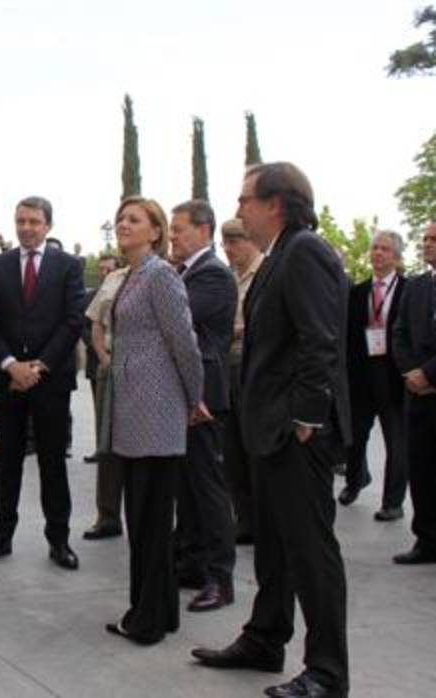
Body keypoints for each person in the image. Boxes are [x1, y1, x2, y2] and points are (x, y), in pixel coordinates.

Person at [193, 162, 351, 698]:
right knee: (276, 548)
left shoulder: (303, 250)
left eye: (245, 200)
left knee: (311, 552)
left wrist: (306, 419)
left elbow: (320, 340)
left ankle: (327, 673)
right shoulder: (280, 254)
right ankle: (265, 638)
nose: (237, 210)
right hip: (268, 430)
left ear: (276, 203)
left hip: (295, 434)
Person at [101, 197, 204, 646]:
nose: (124, 224)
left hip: (156, 412)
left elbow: (185, 342)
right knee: (143, 519)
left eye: (134, 220)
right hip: (133, 412)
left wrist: (194, 398)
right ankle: (157, 613)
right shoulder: (130, 275)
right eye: (121, 218)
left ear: (156, 231)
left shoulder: (160, 275)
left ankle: (147, 620)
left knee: (150, 520)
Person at [0, 196, 84, 571]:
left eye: (34, 222)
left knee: (53, 463)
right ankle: (0, 536)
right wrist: (10, 364)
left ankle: (60, 541)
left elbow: (73, 321)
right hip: (7, 380)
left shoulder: (69, 266)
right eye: (20, 221)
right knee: (8, 463)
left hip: (50, 381)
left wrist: (39, 367)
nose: (26, 228)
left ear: (48, 225)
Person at [169, 200, 238, 614]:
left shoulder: (211, 274)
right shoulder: (185, 273)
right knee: (188, 486)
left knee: (210, 489)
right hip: (184, 392)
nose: (173, 236)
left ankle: (220, 578)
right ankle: (191, 563)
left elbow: (178, 318)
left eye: (179, 229)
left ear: (203, 230)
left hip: (206, 395)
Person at [340, 230, 408, 521]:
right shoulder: (357, 292)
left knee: (397, 441)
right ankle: (355, 481)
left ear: (396, 256)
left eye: (384, 250)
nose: (378, 254)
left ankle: (392, 502)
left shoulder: (408, 290)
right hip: (363, 374)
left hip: (394, 374)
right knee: (354, 436)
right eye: (375, 248)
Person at [390, 221, 436, 565]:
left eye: (434, 239)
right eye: (425, 239)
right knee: (420, 468)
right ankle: (427, 539)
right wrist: (411, 372)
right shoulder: (418, 287)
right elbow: (399, 332)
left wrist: (429, 373)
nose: (428, 244)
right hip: (417, 395)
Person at [220, 219, 262, 543]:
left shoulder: (265, 273)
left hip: (253, 368)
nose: (229, 249)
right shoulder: (229, 277)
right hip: (227, 367)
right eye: (225, 243)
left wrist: (237, 330)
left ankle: (262, 517)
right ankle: (245, 518)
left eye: (234, 242)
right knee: (231, 449)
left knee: (253, 448)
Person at [83, 255, 128, 540]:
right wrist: (102, 356)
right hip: (110, 368)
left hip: (143, 370)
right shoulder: (113, 280)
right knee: (107, 444)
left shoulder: (162, 274)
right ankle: (108, 515)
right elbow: (96, 322)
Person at [81, 253, 120, 465]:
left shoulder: (125, 291)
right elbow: (84, 326)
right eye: (101, 269)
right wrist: (97, 348)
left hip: (121, 358)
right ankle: (100, 448)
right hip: (97, 359)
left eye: (109, 269)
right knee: (99, 406)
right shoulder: (91, 297)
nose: (104, 273)